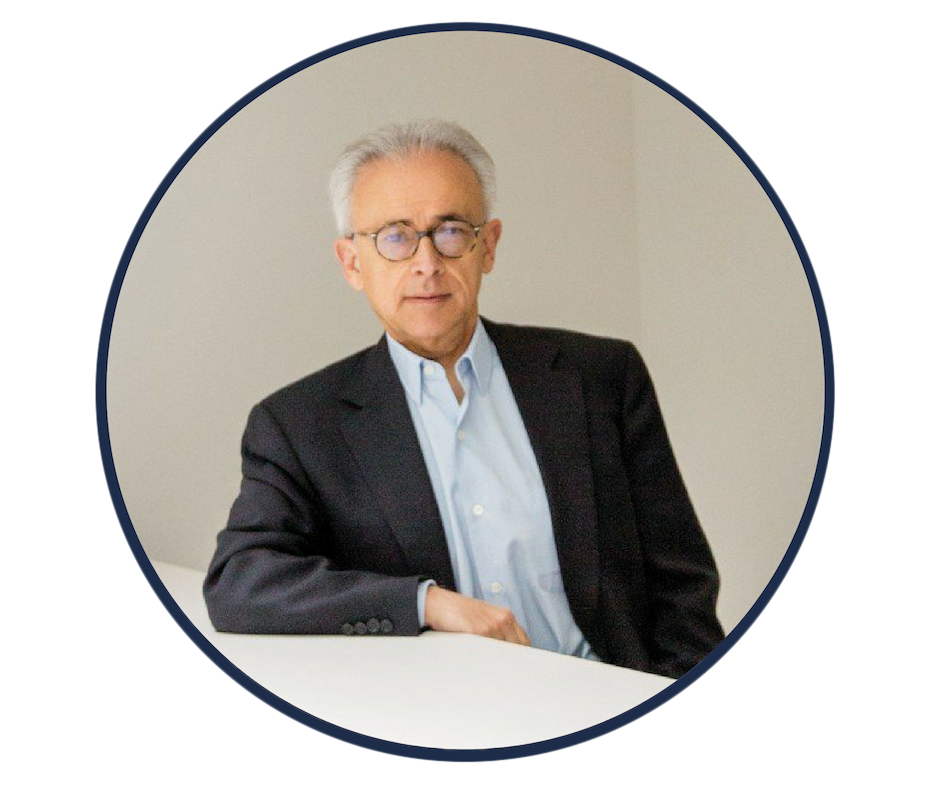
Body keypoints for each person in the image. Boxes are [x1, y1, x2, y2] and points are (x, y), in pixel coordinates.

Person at [203, 119, 724, 678]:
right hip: (438, 714)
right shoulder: (298, 425)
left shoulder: (601, 376)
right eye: (395, 237)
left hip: (608, 694)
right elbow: (240, 580)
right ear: (352, 263)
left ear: (488, 246)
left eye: (450, 230)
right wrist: (425, 602)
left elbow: (682, 586)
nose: (427, 263)